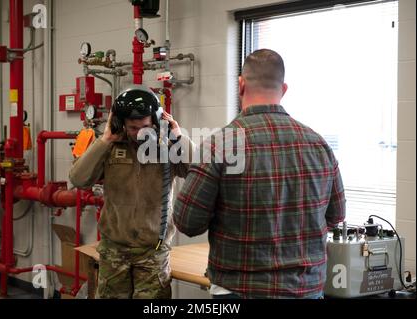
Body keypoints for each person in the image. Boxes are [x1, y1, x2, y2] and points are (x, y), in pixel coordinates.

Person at [173, 49, 346, 299]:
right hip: (306, 289)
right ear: (284, 89)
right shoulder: (319, 145)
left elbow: (187, 222)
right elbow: (336, 216)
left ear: (240, 85)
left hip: (240, 290)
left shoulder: (219, 145)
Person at [69, 85, 193, 299]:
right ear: (120, 123)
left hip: (153, 252)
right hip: (114, 251)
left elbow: (197, 172)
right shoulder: (109, 147)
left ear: (155, 122)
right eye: (132, 127)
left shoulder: (167, 148)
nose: (138, 133)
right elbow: (78, 179)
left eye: (144, 126)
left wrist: (178, 137)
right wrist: (105, 140)